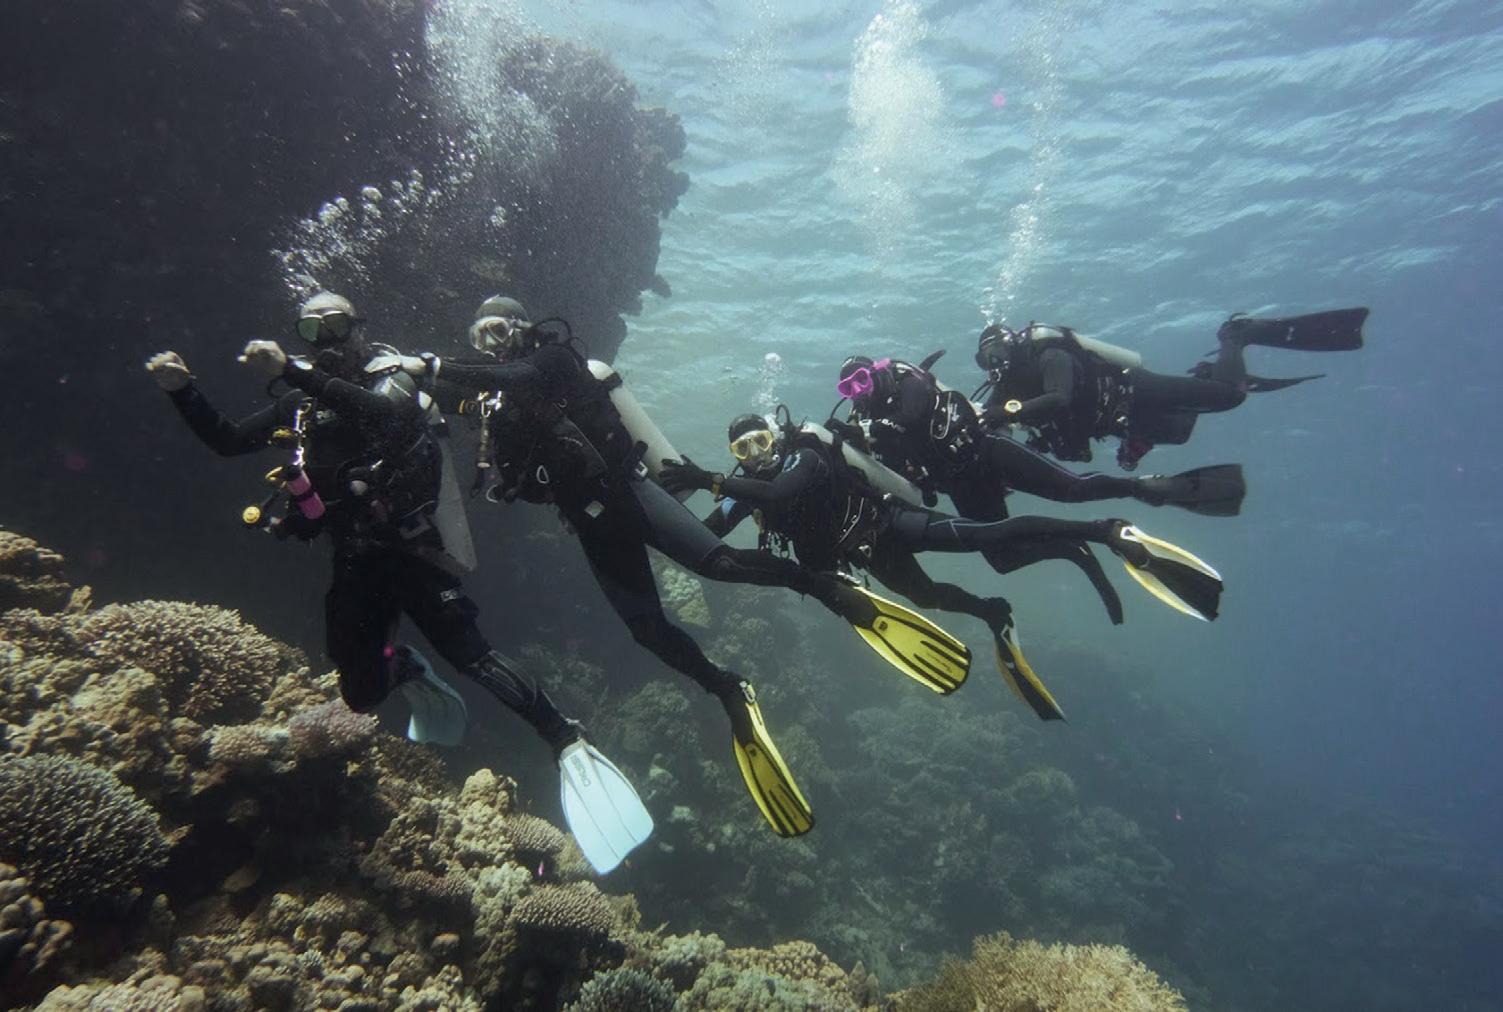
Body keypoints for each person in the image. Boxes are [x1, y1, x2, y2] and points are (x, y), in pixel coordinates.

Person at [414, 295, 973, 838]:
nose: (491, 344)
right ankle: (727, 688)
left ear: (522, 326)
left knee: (721, 563)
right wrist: (406, 377)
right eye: (480, 337)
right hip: (589, 523)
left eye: (498, 330)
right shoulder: (496, 404)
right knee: (645, 629)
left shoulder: (553, 359)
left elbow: (516, 376)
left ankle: (826, 588)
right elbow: (471, 406)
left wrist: (432, 365)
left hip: (631, 494)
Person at [145, 291, 651, 874]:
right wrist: (183, 391)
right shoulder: (300, 405)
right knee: (359, 696)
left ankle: (563, 737)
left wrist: (295, 369)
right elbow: (229, 440)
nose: (327, 338)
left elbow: (380, 416)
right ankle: (403, 665)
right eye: (312, 329)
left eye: (337, 324)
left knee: (472, 656)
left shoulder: (394, 379)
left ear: (358, 328)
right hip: (354, 558)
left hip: (414, 552)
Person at [660, 412, 1225, 722]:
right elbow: (709, 536)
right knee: (927, 598)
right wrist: (660, 509)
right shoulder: (745, 491)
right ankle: (992, 611)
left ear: (775, 436)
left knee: (988, 536)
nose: (755, 454)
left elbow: (783, 492)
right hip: (869, 557)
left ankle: (1104, 530)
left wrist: (710, 478)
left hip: (893, 524)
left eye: (760, 441)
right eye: (742, 451)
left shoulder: (804, 456)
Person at [836, 353, 1243, 624]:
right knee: (1003, 558)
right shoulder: (871, 425)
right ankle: (1073, 549)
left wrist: (868, 431)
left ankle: (1138, 487)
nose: (860, 392)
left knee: (1074, 489)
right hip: (961, 482)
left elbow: (913, 413)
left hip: (986, 451)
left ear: (877, 371)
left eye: (861, 380)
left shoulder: (907, 381)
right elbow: (907, 484)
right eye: (849, 390)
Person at [973, 308, 1368, 469]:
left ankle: (1235, 334)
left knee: (1231, 396)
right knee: (1181, 432)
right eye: (985, 360)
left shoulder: (1049, 355)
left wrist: (1006, 413)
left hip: (1133, 391)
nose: (993, 364)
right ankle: (1207, 376)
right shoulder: (1006, 387)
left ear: (1012, 345)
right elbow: (994, 428)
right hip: (1122, 421)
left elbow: (1059, 398)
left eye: (996, 354)